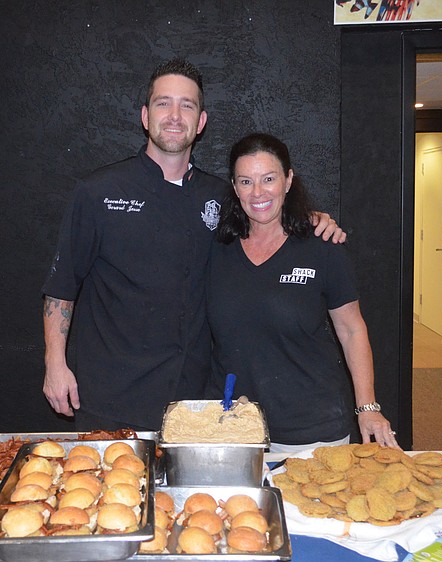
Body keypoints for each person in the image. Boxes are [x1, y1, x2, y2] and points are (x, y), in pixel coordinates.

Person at [42, 59, 344, 431]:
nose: (174, 115)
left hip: (194, 403)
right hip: (111, 397)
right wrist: (55, 364)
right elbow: (62, 285)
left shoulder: (221, 196)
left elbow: (266, 214)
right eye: (163, 103)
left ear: (200, 122)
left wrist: (310, 219)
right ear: (145, 116)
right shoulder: (99, 192)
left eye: (186, 105)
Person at [206, 132, 398, 454]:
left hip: (311, 429)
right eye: (246, 181)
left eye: (269, 179)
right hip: (234, 429)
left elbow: (352, 330)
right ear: (235, 187)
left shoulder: (322, 246)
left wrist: (368, 407)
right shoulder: (217, 249)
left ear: (288, 180)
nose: (258, 192)